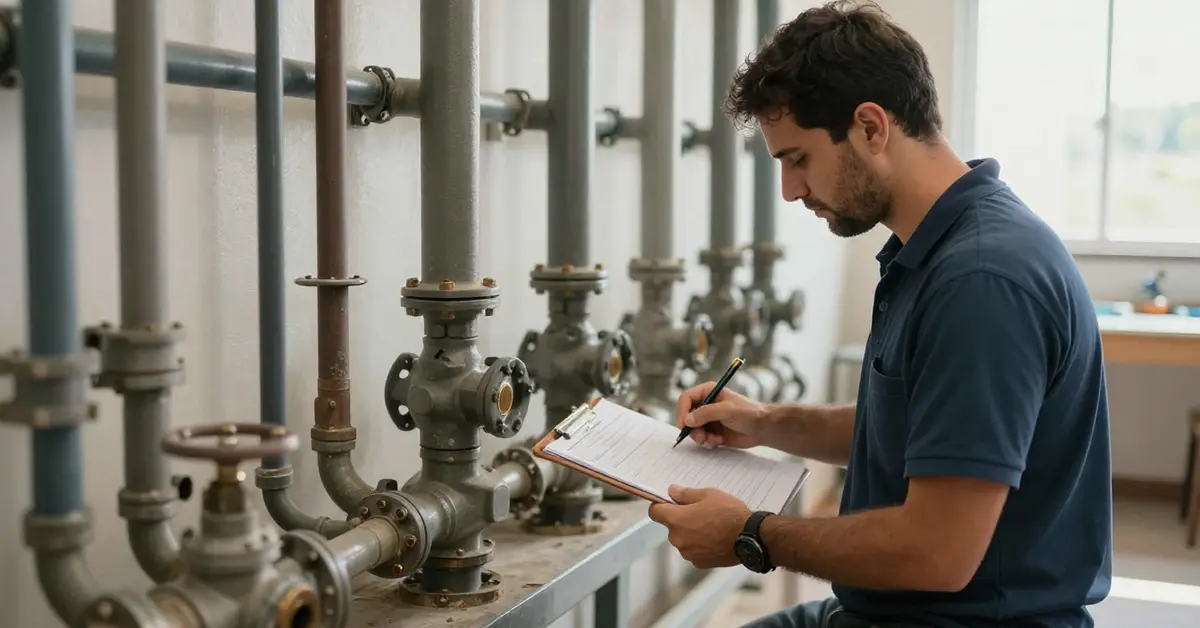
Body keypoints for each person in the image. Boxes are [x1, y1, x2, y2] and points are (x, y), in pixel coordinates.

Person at [646, 2, 1113, 627]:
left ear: (870, 127)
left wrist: (751, 533)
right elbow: (920, 432)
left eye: (798, 159)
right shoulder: (935, 252)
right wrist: (763, 422)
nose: (790, 190)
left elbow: (936, 553)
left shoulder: (980, 283)